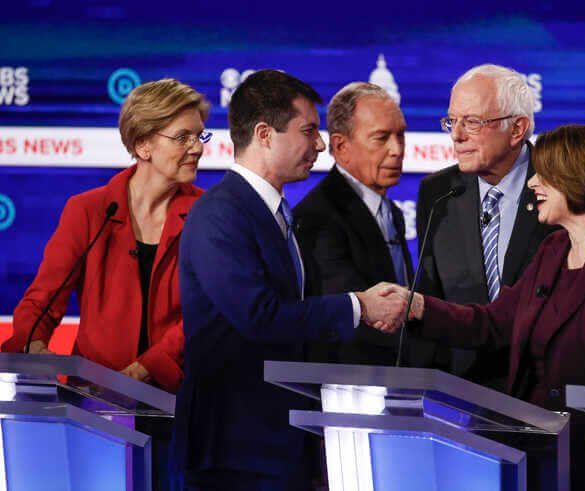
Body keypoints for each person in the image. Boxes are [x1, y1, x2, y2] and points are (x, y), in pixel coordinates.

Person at [381, 124, 585, 491]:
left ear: (578, 178)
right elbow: (494, 323)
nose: (533, 183)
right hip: (533, 455)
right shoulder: (554, 250)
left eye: (545, 175)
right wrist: (418, 306)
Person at [175, 70, 406, 491]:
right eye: (308, 131)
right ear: (265, 134)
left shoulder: (278, 213)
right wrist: (359, 306)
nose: (319, 144)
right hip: (234, 449)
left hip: (282, 442)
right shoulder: (220, 215)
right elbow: (258, 318)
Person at [3, 78, 211, 490]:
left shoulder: (208, 215)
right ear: (143, 145)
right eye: (183, 136)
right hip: (93, 407)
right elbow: (43, 298)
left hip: (180, 406)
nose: (198, 147)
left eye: (199, 134)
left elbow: (208, 312)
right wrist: (33, 349)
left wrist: (142, 371)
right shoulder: (90, 211)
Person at [414, 64, 555, 385]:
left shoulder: (563, 184)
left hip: (541, 390)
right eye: (452, 120)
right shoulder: (437, 193)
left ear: (517, 129)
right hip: (462, 390)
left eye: (473, 122)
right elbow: (432, 295)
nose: (456, 135)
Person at [294, 82, 411, 366]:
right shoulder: (318, 216)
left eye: (401, 136)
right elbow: (349, 317)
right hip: (351, 383)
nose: (397, 150)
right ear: (341, 146)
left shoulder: (391, 211)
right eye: (381, 138)